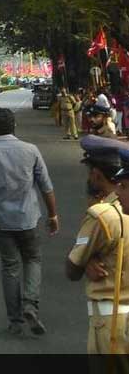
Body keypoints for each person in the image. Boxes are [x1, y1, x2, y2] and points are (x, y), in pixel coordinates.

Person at [0, 108, 59, 336]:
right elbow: (46, 186)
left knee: (10, 267)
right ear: (14, 126)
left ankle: (15, 321)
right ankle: (31, 304)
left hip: (1, 220)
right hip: (28, 219)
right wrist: (53, 215)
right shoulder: (31, 150)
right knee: (33, 259)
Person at [66, 135, 129, 363]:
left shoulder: (103, 216)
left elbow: (72, 268)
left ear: (96, 174)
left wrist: (86, 258)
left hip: (112, 320)